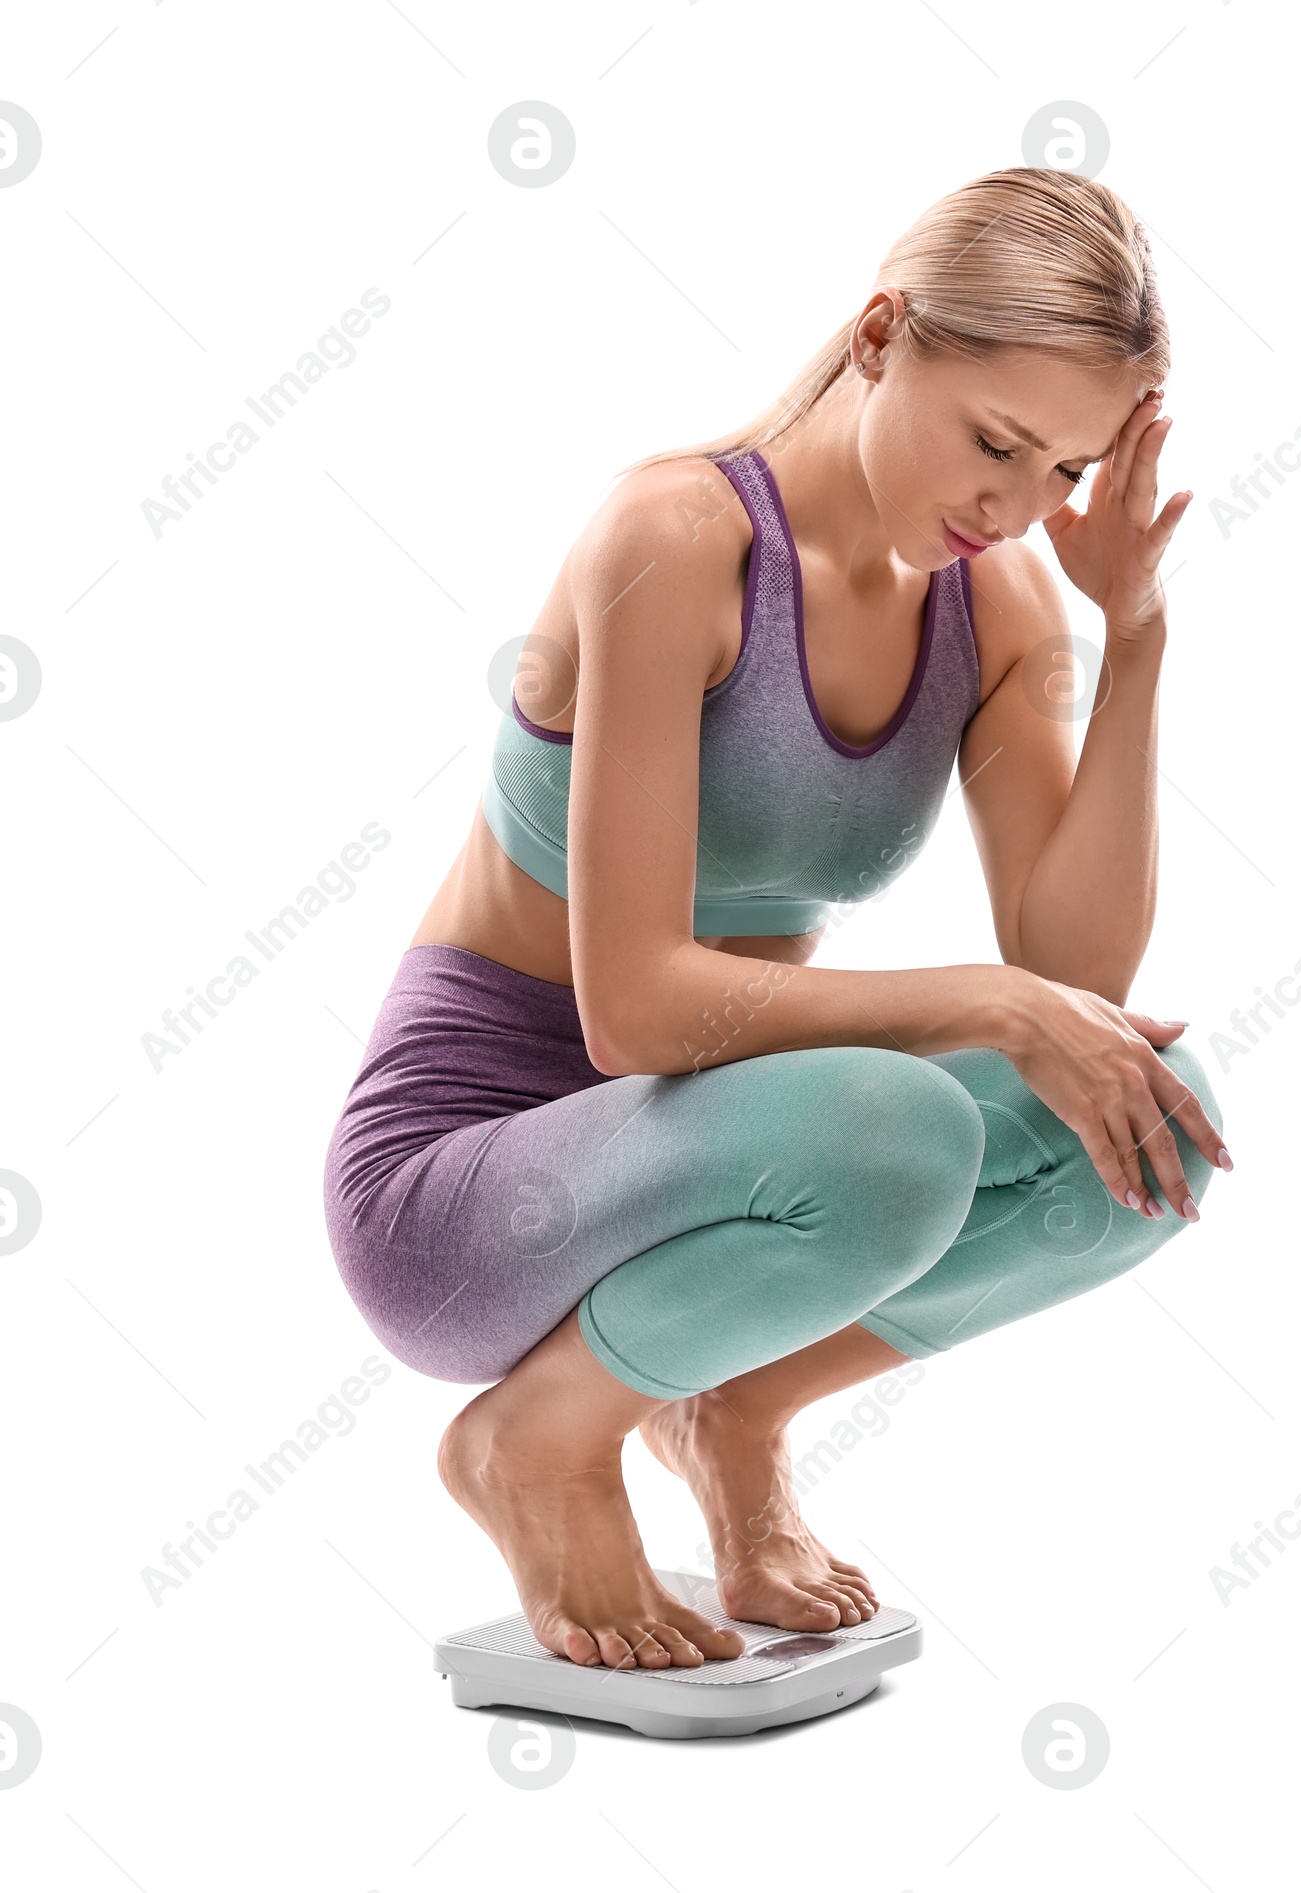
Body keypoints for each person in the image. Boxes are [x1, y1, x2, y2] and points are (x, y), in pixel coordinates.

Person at [323, 166, 1230, 1675]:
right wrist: (989, 1005)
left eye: (1066, 472)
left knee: (1155, 1118)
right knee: (898, 1125)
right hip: (462, 1194)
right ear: (883, 334)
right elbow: (639, 1014)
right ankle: (538, 1440)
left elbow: (1072, 982)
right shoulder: (678, 540)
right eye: (996, 441)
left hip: (715, 1161)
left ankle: (726, 1403)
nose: (1017, 505)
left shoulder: (996, 601)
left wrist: (1131, 630)